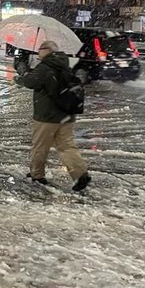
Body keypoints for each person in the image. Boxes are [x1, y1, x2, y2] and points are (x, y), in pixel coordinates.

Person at [15, 40, 91, 191]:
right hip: (66, 114)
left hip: (47, 116)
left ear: (47, 50)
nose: (38, 52)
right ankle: (80, 173)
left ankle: (37, 175)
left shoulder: (45, 67)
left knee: (40, 146)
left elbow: (30, 82)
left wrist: (21, 74)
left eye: (40, 49)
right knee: (67, 146)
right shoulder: (65, 63)